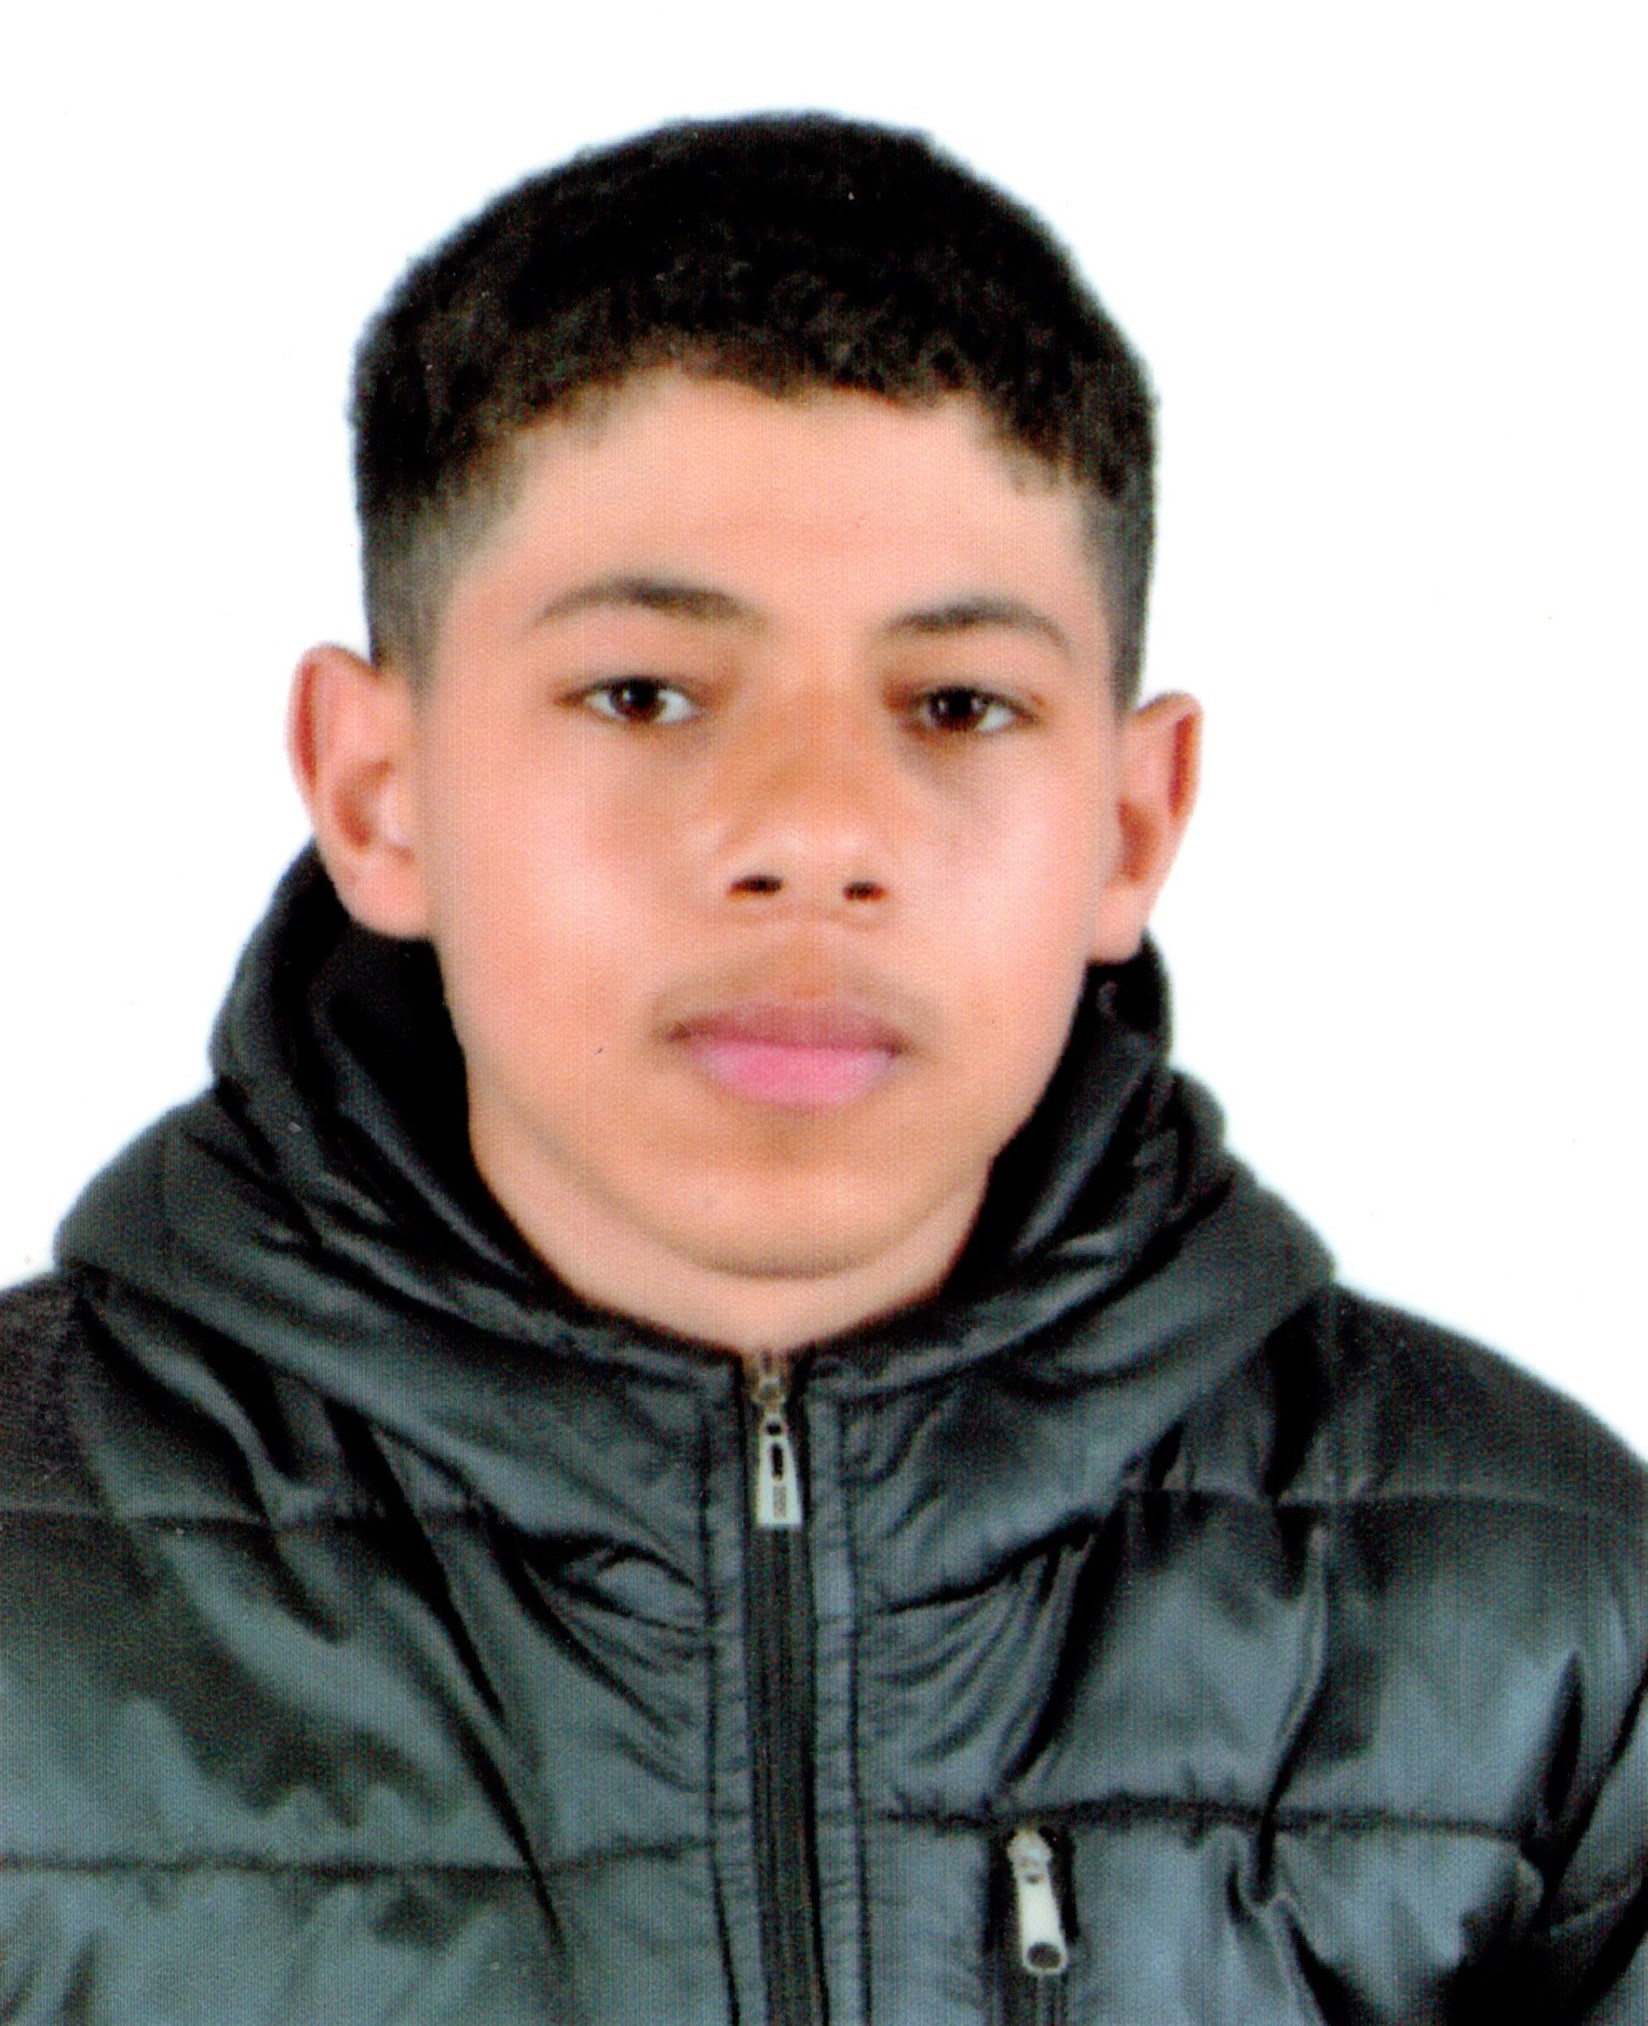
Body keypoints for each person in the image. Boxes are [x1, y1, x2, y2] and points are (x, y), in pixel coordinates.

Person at [0, 111, 1641, 2025]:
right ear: (379, 790)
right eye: (643, 692)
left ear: (1132, 820)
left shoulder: (1544, 1636)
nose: (811, 832)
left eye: (958, 703)